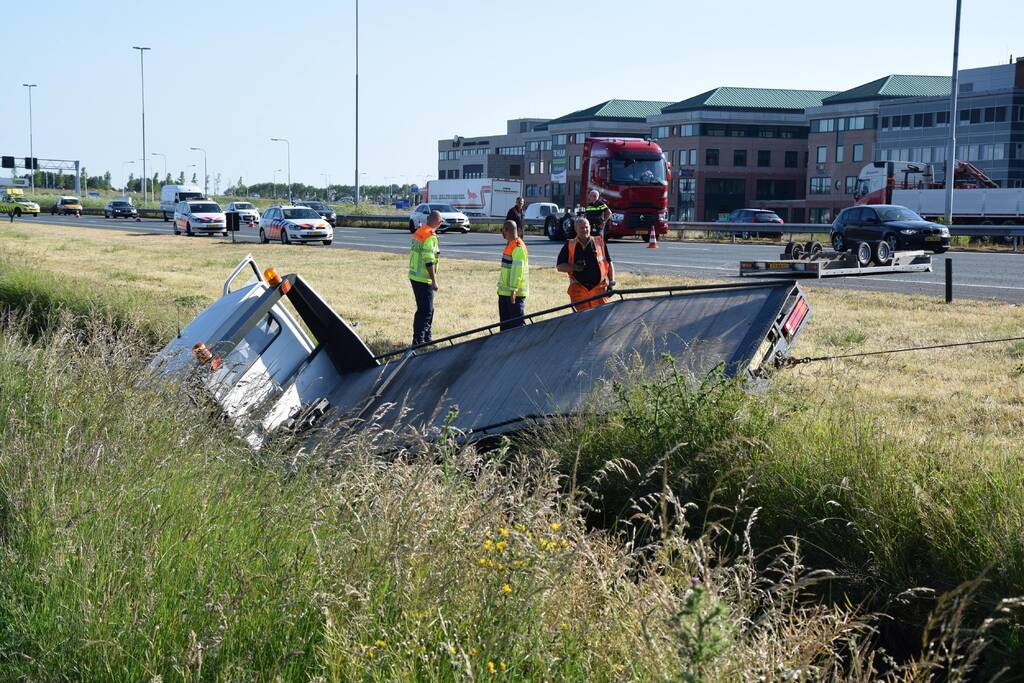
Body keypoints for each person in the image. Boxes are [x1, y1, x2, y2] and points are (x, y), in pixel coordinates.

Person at [556, 217, 616, 312]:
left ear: (590, 227)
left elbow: (609, 263)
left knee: (601, 318)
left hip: (599, 290)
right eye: (581, 228)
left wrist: (612, 282)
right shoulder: (569, 244)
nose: (585, 230)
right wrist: (574, 267)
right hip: (579, 291)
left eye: (586, 227)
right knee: (583, 320)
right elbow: (559, 267)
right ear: (576, 229)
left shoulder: (599, 242)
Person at [409, 209, 441, 345]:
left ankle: (427, 337)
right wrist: (434, 280)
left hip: (415, 275)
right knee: (425, 310)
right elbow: (429, 260)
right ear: (438, 222)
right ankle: (419, 340)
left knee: (428, 309)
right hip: (423, 278)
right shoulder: (430, 236)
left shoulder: (420, 231)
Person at [497, 219, 529, 330]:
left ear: (506, 230)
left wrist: (513, 289)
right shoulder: (510, 245)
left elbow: (517, 270)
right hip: (506, 292)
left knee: (516, 327)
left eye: (502, 230)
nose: (502, 233)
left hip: (513, 294)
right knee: (505, 327)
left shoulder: (517, 247)